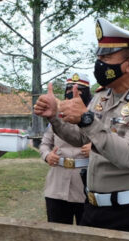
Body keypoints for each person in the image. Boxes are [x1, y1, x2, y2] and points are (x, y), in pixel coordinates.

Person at [34, 18, 129, 235]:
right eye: (99, 56)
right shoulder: (102, 97)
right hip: (93, 207)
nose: (100, 63)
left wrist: (87, 119)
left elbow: (128, 156)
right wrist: (54, 118)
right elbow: (82, 138)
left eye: (106, 57)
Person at [39, 73, 92, 225]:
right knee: (56, 234)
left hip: (85, 183)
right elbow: (44, 144)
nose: (73, 93)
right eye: (69, 89)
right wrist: (47, 155)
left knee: (86, 234)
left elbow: (109, 144)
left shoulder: (94, 118)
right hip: (57, 183)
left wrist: (94, 149)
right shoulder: (56, 116)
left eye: (79, 91)